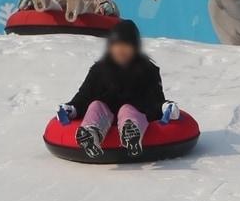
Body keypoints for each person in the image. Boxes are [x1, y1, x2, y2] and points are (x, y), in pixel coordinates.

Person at [56, 19, 176, 159]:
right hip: (104, 117)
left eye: (126, 45)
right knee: (96, 105)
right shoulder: (99, 70)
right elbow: (84, 96)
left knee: (127, 109)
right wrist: (72, 108)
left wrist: (164, 106)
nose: (120, 50)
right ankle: (90, 134)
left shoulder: (148, 71)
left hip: (135, 114)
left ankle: (131, 134)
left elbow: (155, 99)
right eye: (116, 45)